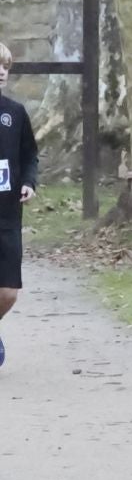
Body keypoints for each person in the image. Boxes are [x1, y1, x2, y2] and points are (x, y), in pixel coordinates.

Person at [0, 42, 38, 368]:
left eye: (5, 67)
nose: (1, 72)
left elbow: (29, 155)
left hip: (8, 215)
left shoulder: (15, 113)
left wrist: (28, 182)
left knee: (8, 292)